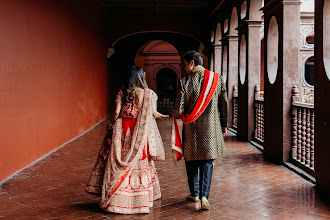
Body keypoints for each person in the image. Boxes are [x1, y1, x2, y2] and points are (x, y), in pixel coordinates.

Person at [86, 66, 169, 214]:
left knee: (119, 161)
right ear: (140, 78)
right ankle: (140, 200)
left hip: (122, 131)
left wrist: (111, 124)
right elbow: (155, 114)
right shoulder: (149, 94)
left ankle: (117, 200)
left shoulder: (122, 92)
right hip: (139, 132)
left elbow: (117, 112)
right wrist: (168, 117)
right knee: (138, 162)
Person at [171, 51, 228, 210]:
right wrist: (224, 123)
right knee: (208, 162)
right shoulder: (216, 79)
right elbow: (224, 103)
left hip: (191, 129)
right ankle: (204, 196)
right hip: (211, 128)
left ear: (191, 63)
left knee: (191, 160)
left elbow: (178, 109)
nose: (184, 68)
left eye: (184, 64)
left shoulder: (184, 82)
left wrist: (174, 113)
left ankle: (194, 193)